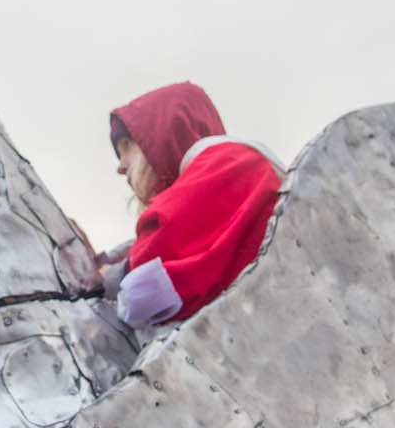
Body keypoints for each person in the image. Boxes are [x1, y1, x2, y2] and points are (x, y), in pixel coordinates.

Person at [105, 81, 283, 328]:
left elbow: (157, 260)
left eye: (127, 145)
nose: (121, 166)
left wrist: (111, 276)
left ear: (165, 131)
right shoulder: (234, 163)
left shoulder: (229, 162)